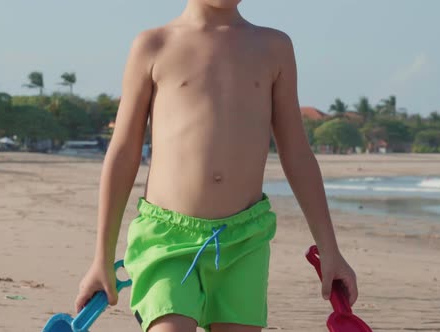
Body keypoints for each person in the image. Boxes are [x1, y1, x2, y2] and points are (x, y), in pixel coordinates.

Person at [74, 1, 358, 331]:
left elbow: (297, 153)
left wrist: (330, 251)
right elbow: (123, 153)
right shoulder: (154, 45)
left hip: (244, 240)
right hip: (166, 238)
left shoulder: (273, 47)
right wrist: (101, 258)